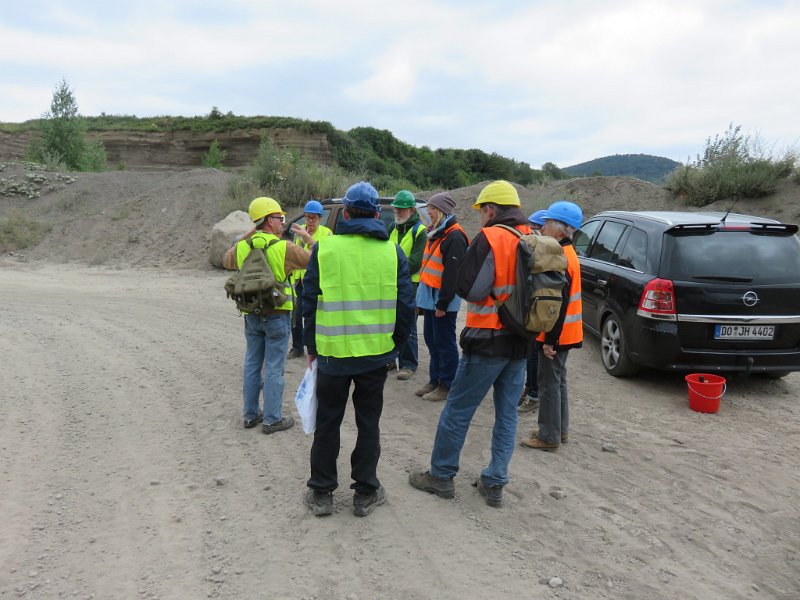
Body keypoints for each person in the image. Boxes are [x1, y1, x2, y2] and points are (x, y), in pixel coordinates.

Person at [408, 180, 531, 508]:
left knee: (459, 408)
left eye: (481, 211)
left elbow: (472, 290)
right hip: (522, 343)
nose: (479, 217)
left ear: (491, 209)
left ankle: (441, 475)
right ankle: (495, 482)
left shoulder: (491, 237)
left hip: (489, 338)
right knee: (507, 413)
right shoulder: (532, 237)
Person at [302, 181, 415, 517]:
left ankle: (321, 492)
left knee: (328, 422)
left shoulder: (326, 250)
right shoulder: (392, 252)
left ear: (346, 213)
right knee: (368, 423)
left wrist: (310, 346)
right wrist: (394, 346)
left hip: (333, 354)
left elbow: (307, 302)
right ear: (378, 214)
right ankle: (365, 491)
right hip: (375, 356)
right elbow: (405, 306)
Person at [222, 197, 310, 432]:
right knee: (274, 367)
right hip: (278, 315)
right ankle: (272, 419)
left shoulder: (242, 247)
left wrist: (250, 233)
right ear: (269, 221)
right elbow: (314, 261)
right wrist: (309, 240)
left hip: (252, 314)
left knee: (252, 363)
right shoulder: (284, 248)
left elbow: (226, 259)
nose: (283, 223)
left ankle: (250, 416)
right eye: (279, 218)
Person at [520, 200, 583, 451]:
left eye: (546, 224)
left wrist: (550, 340)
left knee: (548, 384)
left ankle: (548, 437)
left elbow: (559, 302)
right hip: (567, 332)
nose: (542, 228)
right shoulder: (567, 253)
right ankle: (559, 429)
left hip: (558, 334)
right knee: (558, 381)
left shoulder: (560, 258)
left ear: (560, 229)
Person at [414, 192, 469, 402]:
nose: (429, 212)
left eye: (432, 208)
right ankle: (435, 380)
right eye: (428, 208)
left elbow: (452, 274)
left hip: (442, 300)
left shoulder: (454, 236)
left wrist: (443, 303)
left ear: (443, 211)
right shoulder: (438, 232)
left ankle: (447, 384)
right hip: (431, 298)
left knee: (444, 342)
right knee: (431, 339)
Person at [387, 190, 427, 381]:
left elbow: (415, 262)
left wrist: (392, 269)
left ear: (411, 210)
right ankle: (390, 360)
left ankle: (408, 364)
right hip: (392, 283)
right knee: (391, 323)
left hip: (410, 285)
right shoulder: (392, 228)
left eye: (401, 209)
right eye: (396, 209)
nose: (398, 212)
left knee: (408, 324)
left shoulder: (420, 231)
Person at [287, 200, 333, 360]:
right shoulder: (299, 233)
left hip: (315, 281)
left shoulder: (327, 233)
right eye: (307, 217)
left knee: (312, 315)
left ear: (320, 218)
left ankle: (314, 347)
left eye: (313, 218)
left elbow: (325, 256)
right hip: (299, 280)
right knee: (296, 314)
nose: (310, 221)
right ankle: (297, 347)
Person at [518, 209, 547, 413]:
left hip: (542, 316)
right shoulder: (536, 248)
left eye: (534, 228)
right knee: (530, 355)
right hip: (533, 313)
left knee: (535, 357)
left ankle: (534, 393)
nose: (530, 232)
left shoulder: (548, 254)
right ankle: (530, 387)